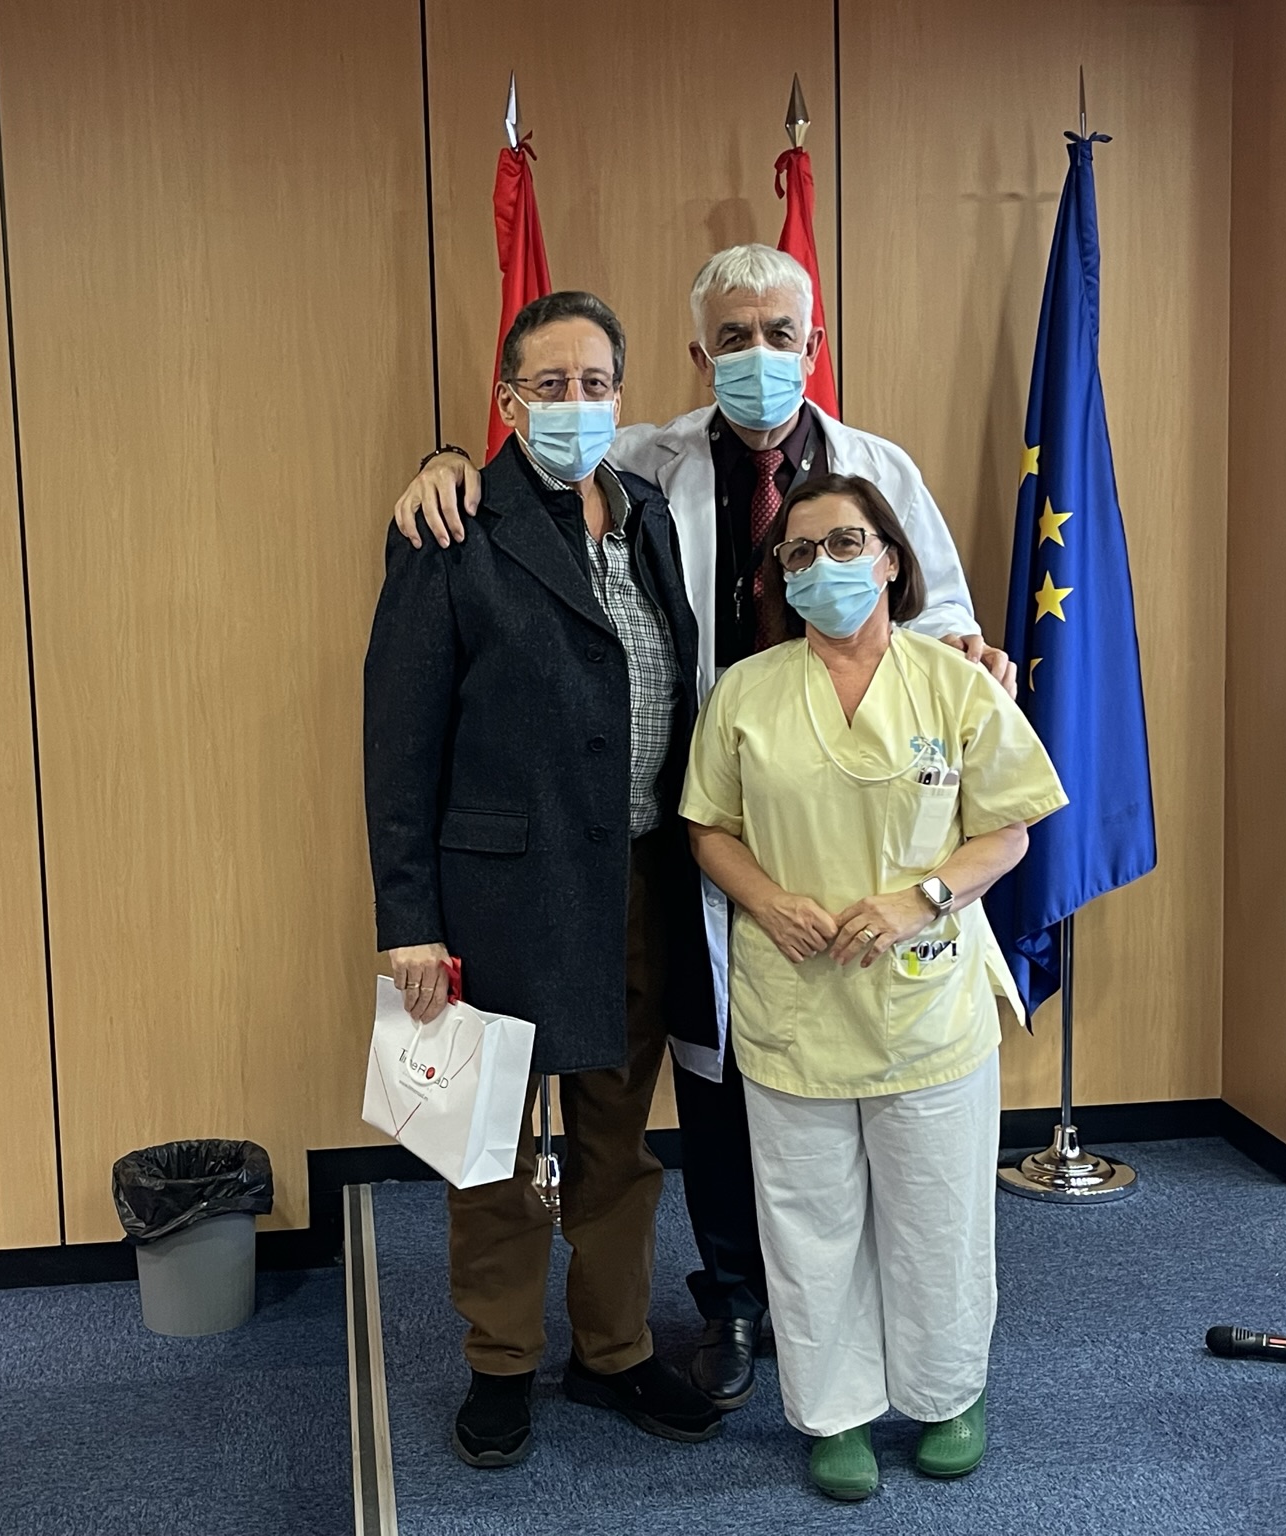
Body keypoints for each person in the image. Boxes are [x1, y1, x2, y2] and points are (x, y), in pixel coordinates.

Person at [391, 245, 1017, 1409]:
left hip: (788, 843)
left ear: (813, 345)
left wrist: (976, 654)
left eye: (779, 334)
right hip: (639, 848)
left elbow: (938, 625)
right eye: (732, 337)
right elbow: (414, 712)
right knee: (626, 1099)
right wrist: (440, 460)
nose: (757, 356)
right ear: (696, 353)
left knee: (665, 1111)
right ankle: (651, 1322)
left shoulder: (858, 473)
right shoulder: (616, 474)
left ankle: (723, 1335)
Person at [363, 290, 722, 1469]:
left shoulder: (647, 512)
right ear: (508, 400)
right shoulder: (453, 524)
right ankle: (500, 1362)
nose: (576, 402)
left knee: (618, 1142)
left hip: (636, 883)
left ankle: (612, 1351)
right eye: (550, 384)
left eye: (595, 383)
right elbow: (399, 744)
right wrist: (407, 919)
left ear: (621, 395)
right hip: (497, 902)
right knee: (487, 1146)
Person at [680, 474, 1066, 1500]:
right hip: (795, 1000)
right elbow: (708, 829)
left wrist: (919, 900)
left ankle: (946, 1395)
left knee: (936, 1213)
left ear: (891, 558)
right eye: (799, 553)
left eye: (845, 543)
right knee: (810, 1222)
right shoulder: (745, 693)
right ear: (779, 577)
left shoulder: (954, 683)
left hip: (924, 997)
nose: (824, 567)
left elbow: (1009, 830)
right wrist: (767, 901)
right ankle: (836, 1413)